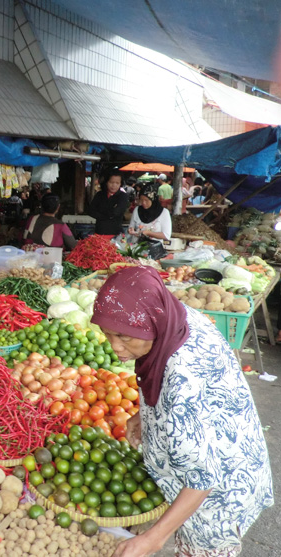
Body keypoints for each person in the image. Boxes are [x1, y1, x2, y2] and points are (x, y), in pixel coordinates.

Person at [92, 266, 273, 557]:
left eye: (124, 337)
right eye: (107, 334)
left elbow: (202, 482)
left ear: (152, 322)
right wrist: (147, 411)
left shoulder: (182, 383)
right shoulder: (176, 317)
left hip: (218, 497)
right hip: (228, 442)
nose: (115, 347)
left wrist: (154, 537)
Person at [87, 171, 129, 236]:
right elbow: (91, 211)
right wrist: (107, 215)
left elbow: (116, 212)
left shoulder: (123, 196)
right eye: (111, 182)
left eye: (117, 183)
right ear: (106, 182)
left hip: (116, 233)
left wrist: (101, 213)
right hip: (99, 232)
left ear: (120, 184)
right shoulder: (99, 195)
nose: (114, 185)